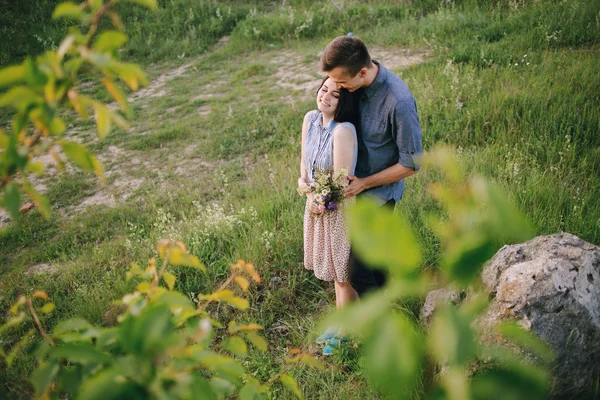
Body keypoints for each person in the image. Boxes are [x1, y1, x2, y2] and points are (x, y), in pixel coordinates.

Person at [320, 35, 423, 296]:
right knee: (372, 260)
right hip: (349, 194)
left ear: (363, 72)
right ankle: (392, 301)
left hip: (377, 195)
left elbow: (411, 164)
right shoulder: (353, 81)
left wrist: (364, 183)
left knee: (356, 269)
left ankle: (375, 327)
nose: (338, 87)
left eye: (342, 82)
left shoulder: (398, 102)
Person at [298, 77, 360, 355]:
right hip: (316, 204)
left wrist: (320, 200)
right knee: (335, 274)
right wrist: (306, 191)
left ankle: (346, 332)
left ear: (343, 102)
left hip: (337, 209)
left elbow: (340, 181)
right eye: (324, 90)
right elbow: (304, 162)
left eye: (334, 95)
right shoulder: (310, 119)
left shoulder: (343, 131)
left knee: (341, 273)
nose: (326, 97)